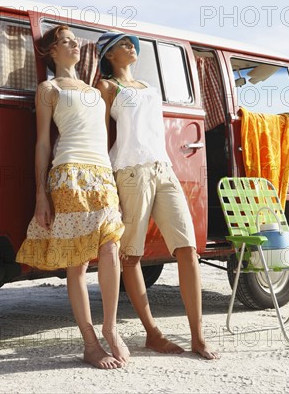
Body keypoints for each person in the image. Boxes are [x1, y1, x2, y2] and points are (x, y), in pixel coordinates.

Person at [96, 31, 219, 360]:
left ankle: (198, 336)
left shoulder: (149, 88)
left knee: (188, 248)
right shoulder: (107, 87)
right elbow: (99, 131)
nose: (131, 48)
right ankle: (152, 333)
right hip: (130, 171)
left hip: (163, 168)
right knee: (131, 256)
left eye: (132, 44)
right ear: (108, 55)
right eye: (123, 45)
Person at [16, 25, 130, 370]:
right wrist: (41, 194)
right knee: (77, 261)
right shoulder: (48, 88)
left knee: (111, 248)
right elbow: (42, 143)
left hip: (102, 175)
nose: (74, 45)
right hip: (68, 174)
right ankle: (90, 342)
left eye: (75, 40)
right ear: (52, 51)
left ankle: (110, 327)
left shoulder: (96, 90)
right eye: (66, 41)